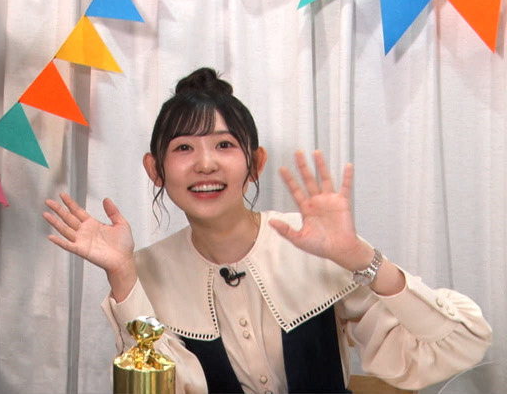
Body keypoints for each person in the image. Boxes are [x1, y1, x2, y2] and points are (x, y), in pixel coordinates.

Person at [43, 68, 492, 393]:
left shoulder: (310, 241)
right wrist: (124, 277)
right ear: (155, 169)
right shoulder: (145, 270)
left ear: (254, 163)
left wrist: (360, 257)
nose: (205, 164)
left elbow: (460, 345)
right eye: (183, 148)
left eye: (224, 144)